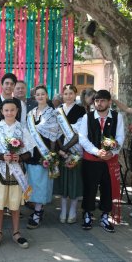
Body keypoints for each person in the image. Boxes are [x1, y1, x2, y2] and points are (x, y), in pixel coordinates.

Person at [0, 99, 35, 249]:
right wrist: (2, 157)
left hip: (17, 170)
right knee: (0, 203)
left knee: (15, 203)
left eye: (12, 110)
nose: (9, 113)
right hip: (0, 169)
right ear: (1, 111)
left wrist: (19, 157)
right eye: (6, 110)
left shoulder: (22, 129)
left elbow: (30, 152)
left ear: (17, 111)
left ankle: (16, 233)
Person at [79, 90, 124, 233]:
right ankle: (87, 214)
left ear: (109, 102)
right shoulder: (88, 117)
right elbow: (82, 138)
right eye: (97, 101)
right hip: (91, 159)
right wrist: (97, 151)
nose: (99, 103)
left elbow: (120, 137)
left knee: (107, 188)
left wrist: (112, 152)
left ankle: (105, 216)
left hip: (109, 160)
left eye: (103, 100)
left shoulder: (117, 117)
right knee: (90, 187)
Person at [25, 85, 61, 229]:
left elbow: (54, 135)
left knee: (41, 183)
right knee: (32, 182)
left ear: (47, 95)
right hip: (31, 152)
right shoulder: (31, 113)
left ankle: (38, 212)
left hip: (44, 151)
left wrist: (51, 154)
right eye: (37, 94)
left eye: (42, 94)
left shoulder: (52, 113)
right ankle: (36, 208)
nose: (40, 96)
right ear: (34, 97)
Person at [53, 85, 86, 224]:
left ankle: (73, 210)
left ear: (75, 94)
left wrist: (66, 148)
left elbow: (79, 132)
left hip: (75, 149)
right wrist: (60, 150)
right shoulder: (57, 110)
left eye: (70, 93)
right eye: (65, 93)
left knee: (74, 180)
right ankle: (63, 209)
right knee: (63, 181)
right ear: (62, 95)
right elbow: (54, 131)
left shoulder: (81, 110)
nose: (68, 96)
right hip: (61, 149)